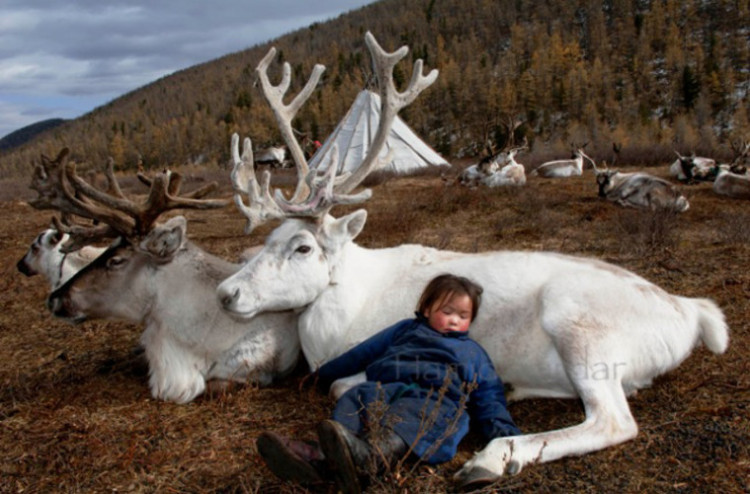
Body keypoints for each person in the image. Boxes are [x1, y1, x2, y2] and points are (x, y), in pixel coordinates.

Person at [257, 274, 520, 493]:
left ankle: (370, 458)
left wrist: (506, 436)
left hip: (435, 399)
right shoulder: (405, 330)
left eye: (463, 316)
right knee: (356, 397)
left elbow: (489, 395)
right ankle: (327, 456)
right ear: (427, 309)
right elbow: (362, 353)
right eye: (447, 311)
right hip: (387, 388)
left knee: (415, 415)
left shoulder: (472, 352)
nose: (454, 320)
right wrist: (321, 375)